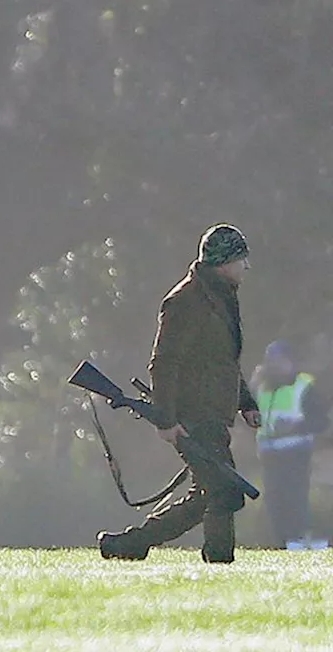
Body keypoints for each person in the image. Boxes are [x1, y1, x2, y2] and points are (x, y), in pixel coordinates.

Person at [97, 223, 262, 563]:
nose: (247, 266)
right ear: (224, 261)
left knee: (214, 491)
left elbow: (223, 361)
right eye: (242, 258)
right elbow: (164, 362)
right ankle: (217, 559)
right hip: (194, 412)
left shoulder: (221, 298)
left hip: (213, 412)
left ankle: (130, 545)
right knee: (223, 490)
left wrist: (246, 403)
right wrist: (167, 420)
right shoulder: (184, 301)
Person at [250, 339, 329, 549]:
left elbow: (321, 421)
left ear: (291, 362)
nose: (275, 365)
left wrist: (296, 426)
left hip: (296, 453)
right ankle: (282, 543)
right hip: (269, 456)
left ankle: (298, 539)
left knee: (295, 497)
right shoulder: (261, 386)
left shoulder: (304, 386)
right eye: (271, 361)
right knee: (274, 501)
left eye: (280, 360)